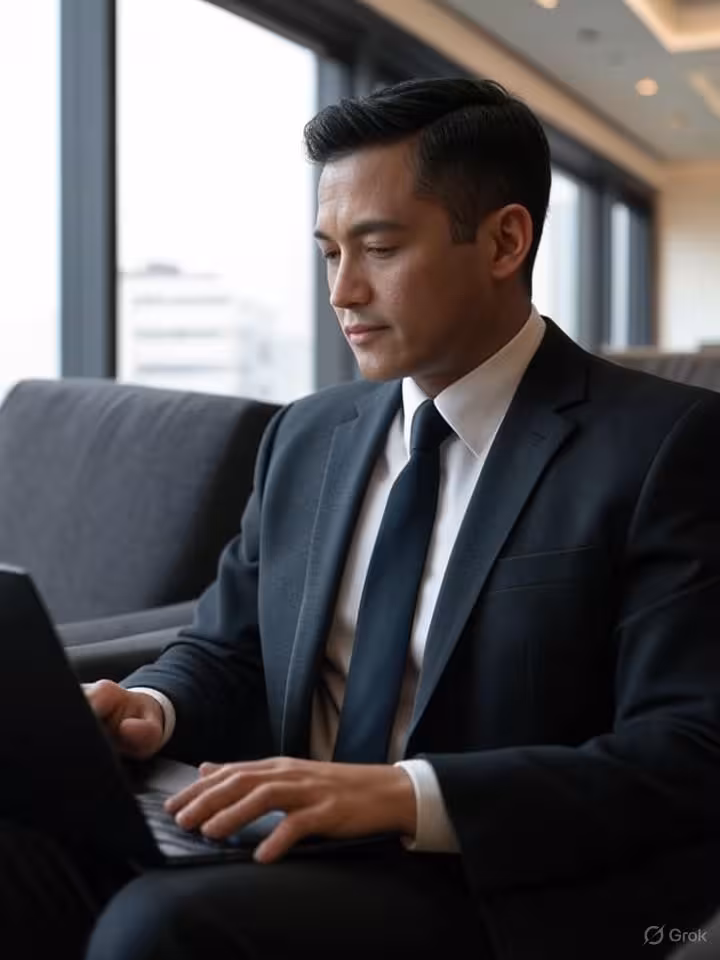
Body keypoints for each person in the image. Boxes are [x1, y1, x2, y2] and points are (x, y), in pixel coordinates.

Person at [2, 75, 720, 960]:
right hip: (281, 842)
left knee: (160, 929)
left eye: (378, 248)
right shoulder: (308, 435)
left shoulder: (668, 445)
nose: (343, 291)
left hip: (489, 880)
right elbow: (230, 647)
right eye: (329, 253)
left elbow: (690, 750)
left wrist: (401, 794)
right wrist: (155, 706)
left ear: (504, 241)